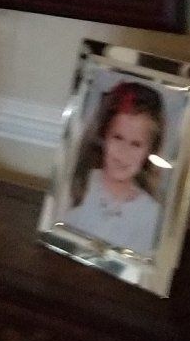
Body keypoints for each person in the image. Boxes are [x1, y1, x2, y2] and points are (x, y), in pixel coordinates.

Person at [62, 79, 165, 255]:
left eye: (136, 144)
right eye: (118, 137)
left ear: (150, 151)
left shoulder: (150, 214)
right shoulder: (77, 186)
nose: (124, 152)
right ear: (103, 136)